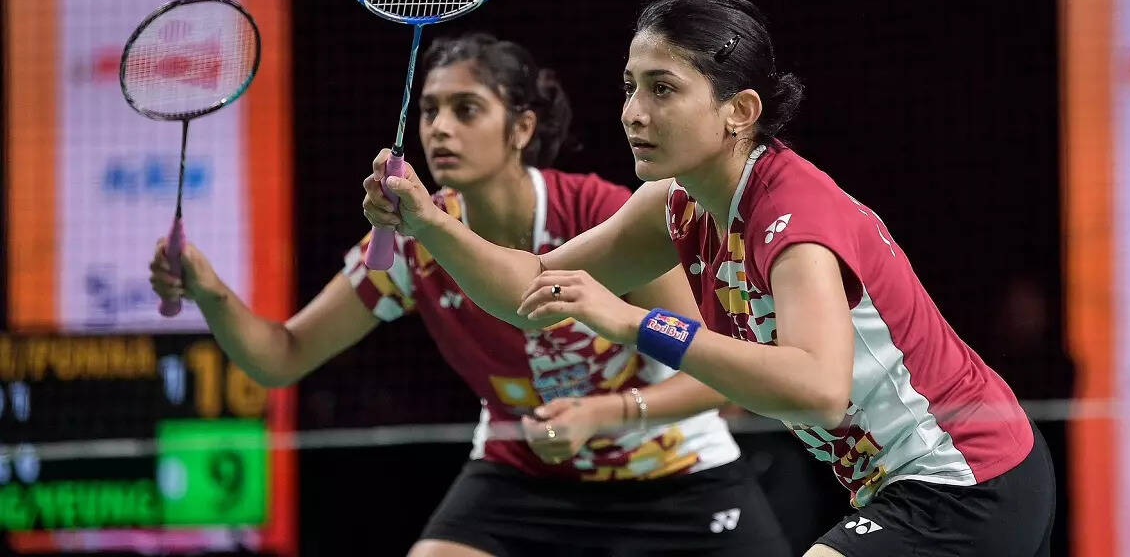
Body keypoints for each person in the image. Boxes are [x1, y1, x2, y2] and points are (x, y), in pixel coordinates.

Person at [362, 0, 1057, 556]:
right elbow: (532, 291)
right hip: (902, 486)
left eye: (663, 89)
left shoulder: (795, 221)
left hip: (964, 479)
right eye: (631, 87)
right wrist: (428, 222)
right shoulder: (677, 205)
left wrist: (636, 324)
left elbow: (817, 389)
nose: (634, 112)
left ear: (739, 111)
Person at [151, 33, 789, 557]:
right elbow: (280, 357)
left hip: (673, 472)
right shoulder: (411, 243)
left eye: (466, 109)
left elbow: (715, 373)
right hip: (522, 477)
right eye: (429, 111)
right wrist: (209, 291)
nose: (440, 129)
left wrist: (605, 414)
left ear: (521, 128)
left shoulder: (600, 215)